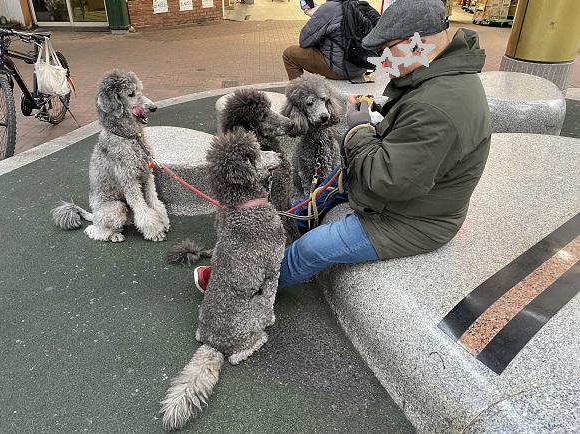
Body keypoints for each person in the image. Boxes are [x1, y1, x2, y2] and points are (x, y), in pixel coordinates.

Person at [195, 0, 491, 291]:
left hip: (411, 219)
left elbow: (385, 182)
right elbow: (409, 140)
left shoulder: (439, 107)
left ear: (419, 44)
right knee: (316, 199)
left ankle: (236, 282)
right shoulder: (438, 79)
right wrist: (382, 116)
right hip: (407, 195)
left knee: (310, 249)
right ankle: (275, 239)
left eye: (387, 50)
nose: (382, 60)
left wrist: (359, 128)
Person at [282, 0, 370, 80]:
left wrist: (318, 16)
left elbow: (304, 41)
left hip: (338, 69)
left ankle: (298, 94)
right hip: (360, 67)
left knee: (289, 54)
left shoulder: (330, 7)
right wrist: (319, 14)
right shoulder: (360, 6)